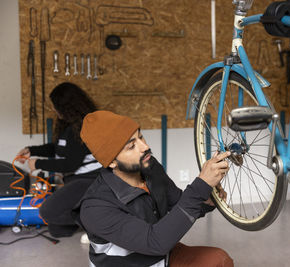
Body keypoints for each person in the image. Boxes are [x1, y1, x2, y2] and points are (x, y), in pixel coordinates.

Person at [74, 110, 234, 267]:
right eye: (131, 146)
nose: (144, 146)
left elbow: (180, 204)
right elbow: (154, 242)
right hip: (139, 258)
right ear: (111, 162)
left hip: (162, 256)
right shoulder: (95, 208)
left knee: (219, 260)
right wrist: (200, 186)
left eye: (140, 136)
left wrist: (207, 199)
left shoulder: (150, 167)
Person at [16, 82, 102, 238]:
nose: (54, 110)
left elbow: (69, 164)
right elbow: (59, 148)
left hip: (90, 180)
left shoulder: (84, 127)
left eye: (56, 106)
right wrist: (32, 151)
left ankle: (98, 221)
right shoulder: (69, 127)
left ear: (67, 106)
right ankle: (89, 217)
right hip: (75, 180)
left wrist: (38, 164)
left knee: (47, 211)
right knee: (57, 230)